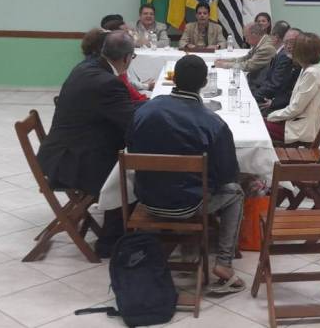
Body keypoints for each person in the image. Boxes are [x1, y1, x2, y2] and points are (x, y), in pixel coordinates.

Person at [128, 55, 246, 294]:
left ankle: (178, 247)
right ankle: (224, 263)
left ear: (174, 80)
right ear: (204, 83)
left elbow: (131, 146)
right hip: (190, 205)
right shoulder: (213, 123)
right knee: (236, 192)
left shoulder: (145, 110)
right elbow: (227, 174)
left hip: (147, 200)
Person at [37, 31, 137, 256]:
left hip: (60, 150)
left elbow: (121, 112)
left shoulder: (86, 67)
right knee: (128, 167)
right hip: (71, 161)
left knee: (125, 153)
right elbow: (131, 122)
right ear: (126, 58)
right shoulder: (108, 83)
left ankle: (122, 229)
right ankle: (110, 241)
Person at [265, 32, 320, 144]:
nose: (290, 49)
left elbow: (295, 108)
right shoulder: (307, 68)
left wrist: (271, 116)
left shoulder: (312, 73)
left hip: (301, 129)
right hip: (296, 121)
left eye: (294, 47)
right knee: (260, 122)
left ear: (301, 52)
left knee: (259, 127)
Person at [252, 28, 301, 114]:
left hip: (284, 109)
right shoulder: (291, 59)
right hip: (277, 102)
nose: (288, 46)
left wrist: (274, 103)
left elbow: (293, 94)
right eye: (286, 42)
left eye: (292, 42)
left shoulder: (305, 67)